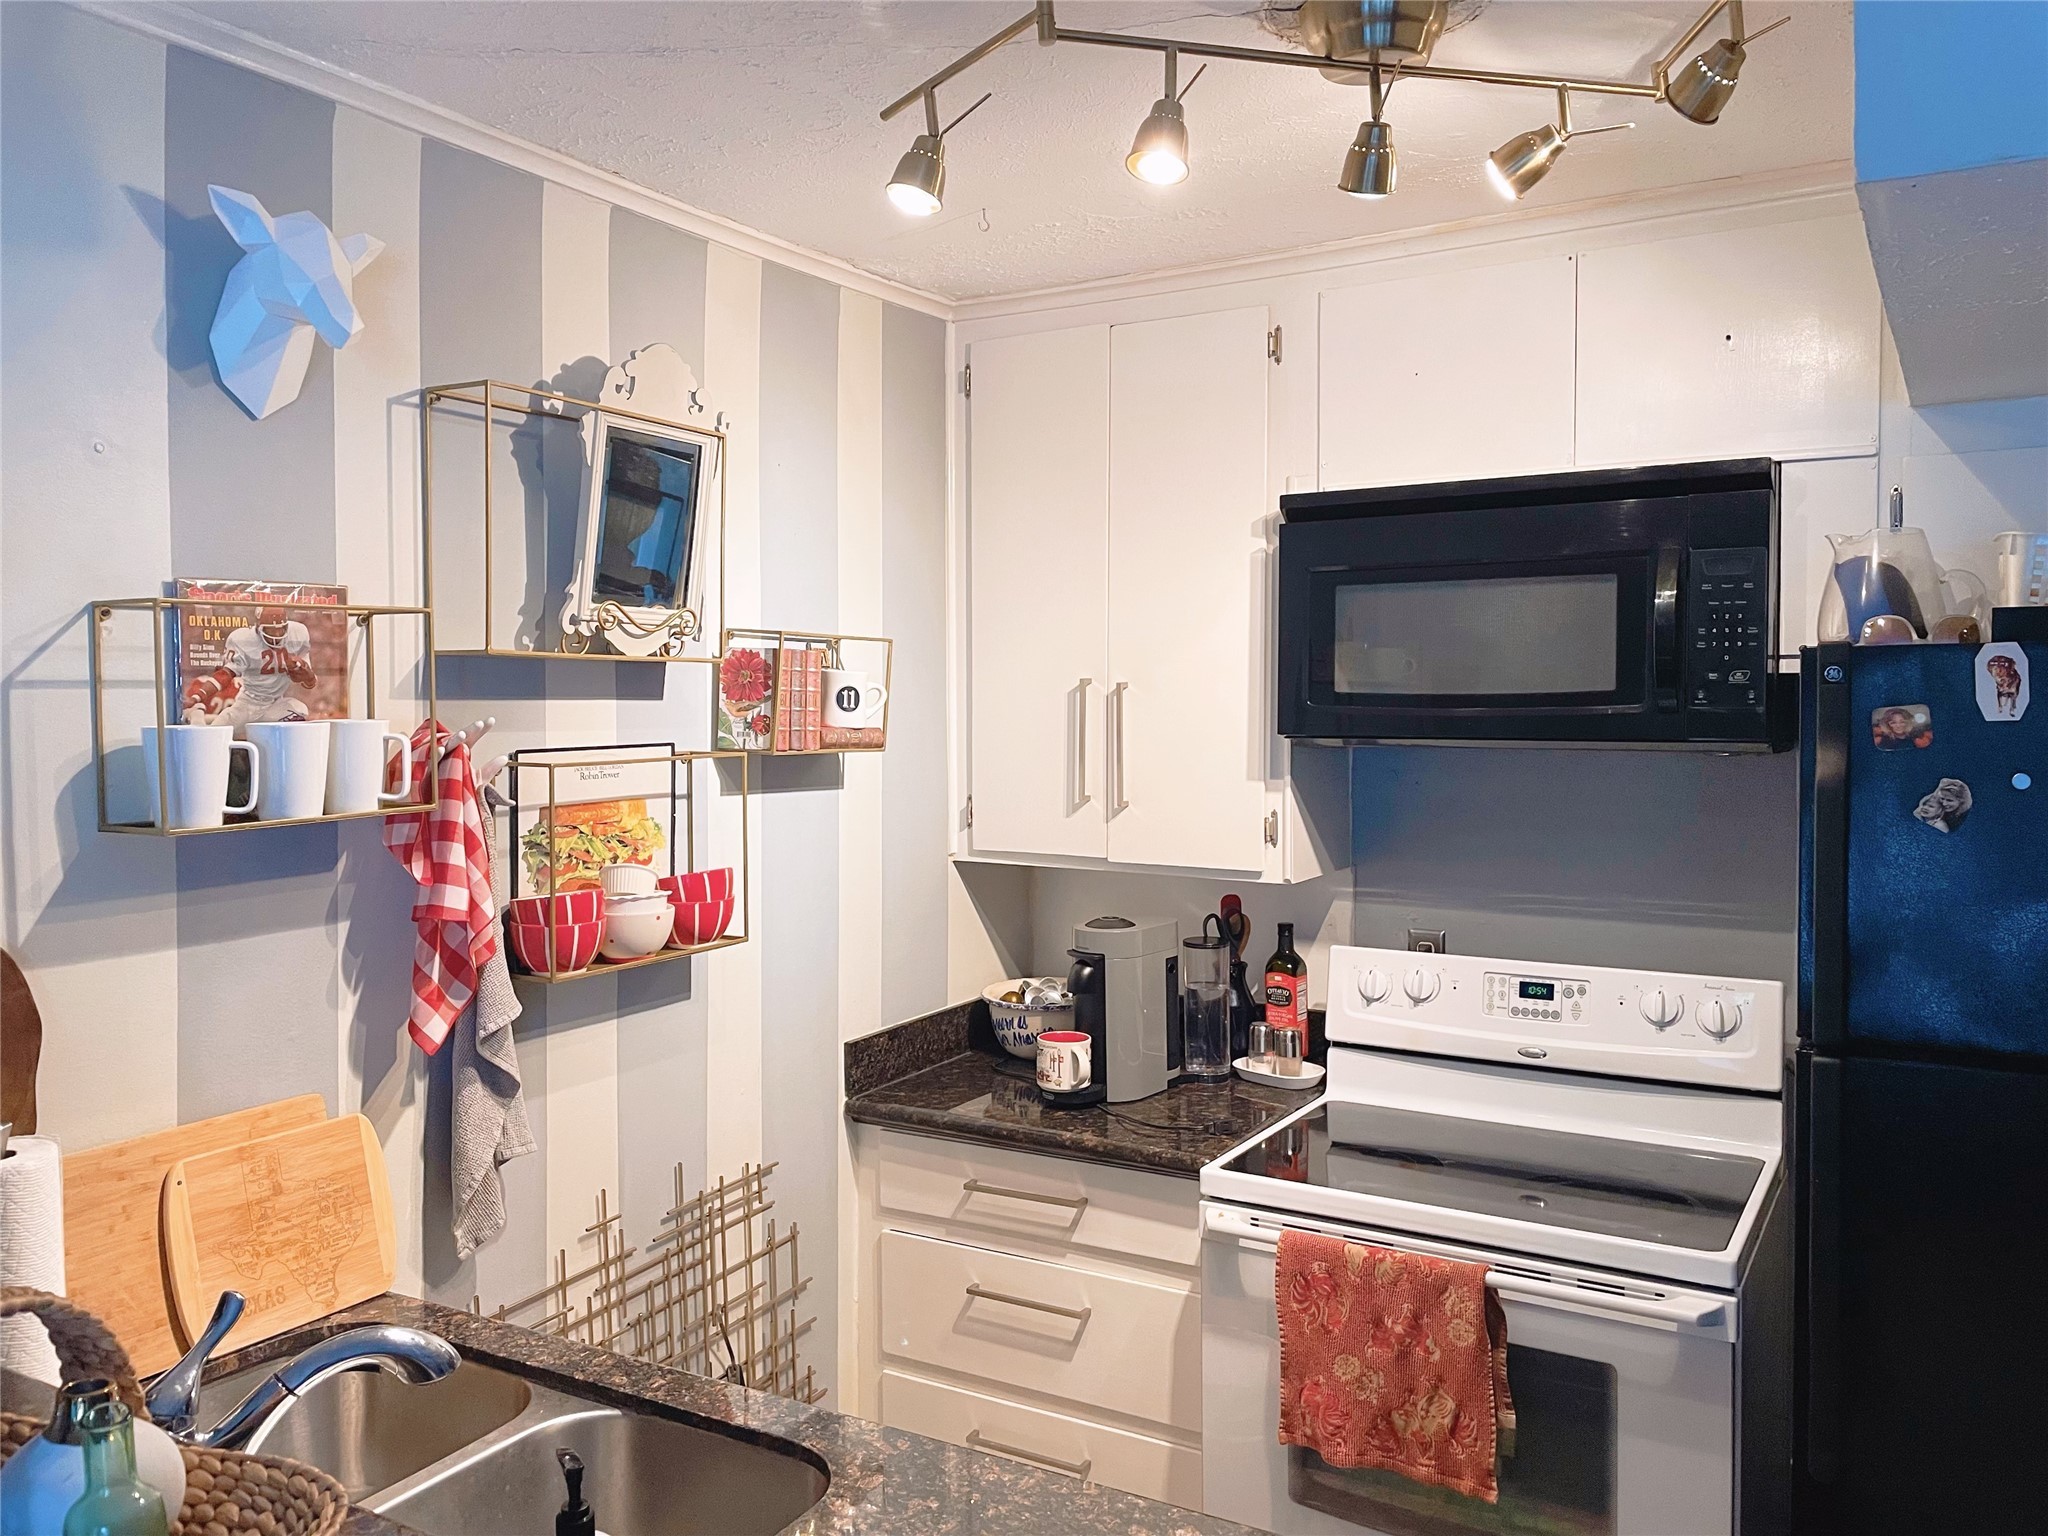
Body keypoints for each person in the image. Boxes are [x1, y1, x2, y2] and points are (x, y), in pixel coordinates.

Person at [182, 605, 318, 726]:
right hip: (248, 704)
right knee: (215, 735)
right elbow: (225, 674)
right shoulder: (244, 640)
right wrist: (197, 697)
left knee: (300, 710)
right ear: (258, 628)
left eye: (281, 629)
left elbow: (310, 683)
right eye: (271, 630)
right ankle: (197, 714)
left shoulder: (298, 633)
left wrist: (301, 670)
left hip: (275, 704)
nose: (277, 634)